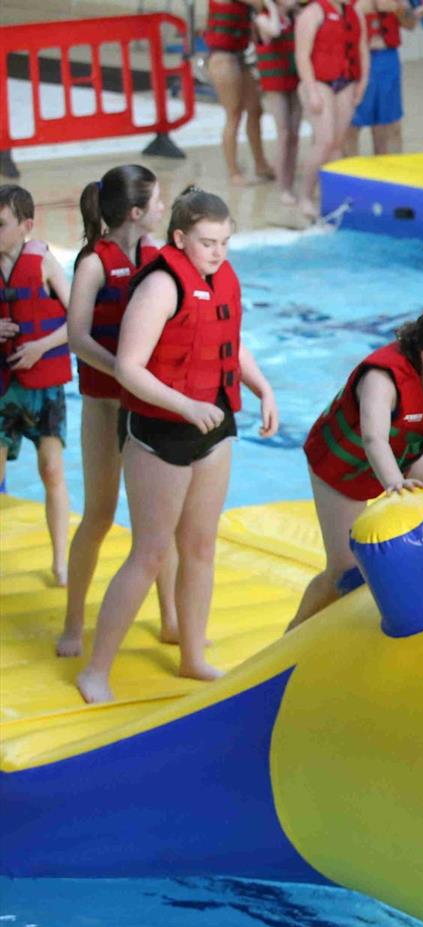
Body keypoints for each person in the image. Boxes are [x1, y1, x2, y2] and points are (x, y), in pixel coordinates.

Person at [75, 189, 280, 705]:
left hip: (214, 426)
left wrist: (263, 387)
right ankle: (95, 670)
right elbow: (128, 367)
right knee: (150, 553)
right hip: (161, 431)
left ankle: (192, 655)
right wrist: (186, 407)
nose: (218, 253)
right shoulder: (161, 286)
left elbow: (228, 338)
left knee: (201, 547)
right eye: (208, 243)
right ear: (180, 237)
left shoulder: (221, 277)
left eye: (226, 242)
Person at [288, 306, 423, 628]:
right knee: (346, 575)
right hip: (344, 465)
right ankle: (293, 634)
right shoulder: (380, 379)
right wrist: (396, 486)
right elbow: (373, 440)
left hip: (400, 455)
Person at [58, 165, 181, 659]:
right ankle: (72, 623)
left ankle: (171, 617)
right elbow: (77, 337)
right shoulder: (94, 263)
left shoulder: (158, 257)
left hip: (145, 406)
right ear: (135, 212)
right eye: (156, 201)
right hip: (106, 405)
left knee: (159, 522)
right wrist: (124, 371)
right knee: (100, 514)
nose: (161, 207)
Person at [0, 184, 73, 586]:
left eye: (0, 225)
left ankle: (60, 561)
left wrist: (39, 347)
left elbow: (76, 319)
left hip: (44, 386)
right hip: (4, 386)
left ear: (26, 225)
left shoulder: (44, 262)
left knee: (51, 469)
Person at [294, 0, 370, 219]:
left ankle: (330, 197)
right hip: (318, 82)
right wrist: (312, 91)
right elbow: (302, 55)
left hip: (346, 81)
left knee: (337, 144)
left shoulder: (355, 12)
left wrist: (362, 83)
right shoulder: (313, 12)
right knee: (325, 141)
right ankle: (305, 196)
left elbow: (362, 49)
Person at [201, 0, 276, 187]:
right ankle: (233, 172)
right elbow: (261, 4)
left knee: (255, 109)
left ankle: (261, 164)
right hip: (222, 57)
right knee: (233, 113)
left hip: (239, 55)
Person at [254, 0, 307, 207]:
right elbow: (274, 32)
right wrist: (273, 8)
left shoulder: (298, 17)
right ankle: (282, 187)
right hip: (275, 82)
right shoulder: (262, 18)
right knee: (283, 133)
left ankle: (291, 182)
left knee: (294, 135)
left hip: (295, 78)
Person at [348, 0, 418, 156]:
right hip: (354, 59)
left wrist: (398, 8)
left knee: (390, 125)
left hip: (387, 58)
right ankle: (349, 175)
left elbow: (411, 24)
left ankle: (390, 175)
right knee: (351, 125)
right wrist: (359, 10)